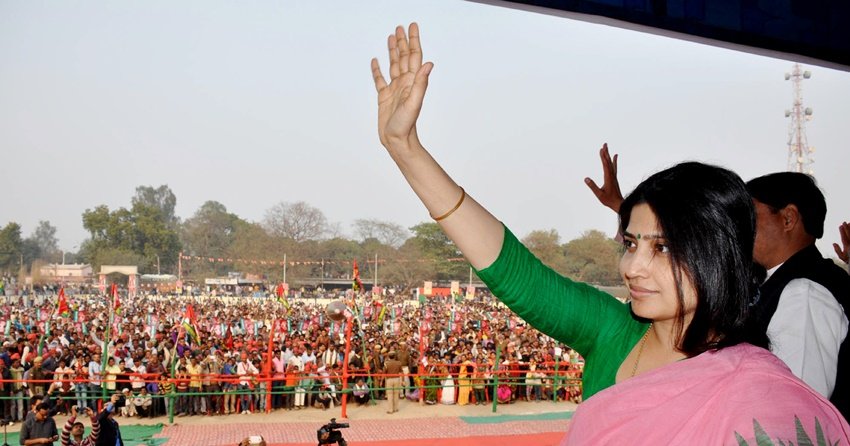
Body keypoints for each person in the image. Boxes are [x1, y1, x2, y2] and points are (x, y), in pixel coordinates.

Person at [370, 23, 850, 443]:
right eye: (631, 243)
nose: (632, 267)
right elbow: (516, 273)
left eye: (663, 247)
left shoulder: (760, 390)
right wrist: (405, 148)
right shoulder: (612, 331)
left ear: (718, 255)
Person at [746, 173, 850, 417]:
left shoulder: (804, 293)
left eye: (750, 217)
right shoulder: (787, 283)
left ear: (788, 219)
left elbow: (795, 413)